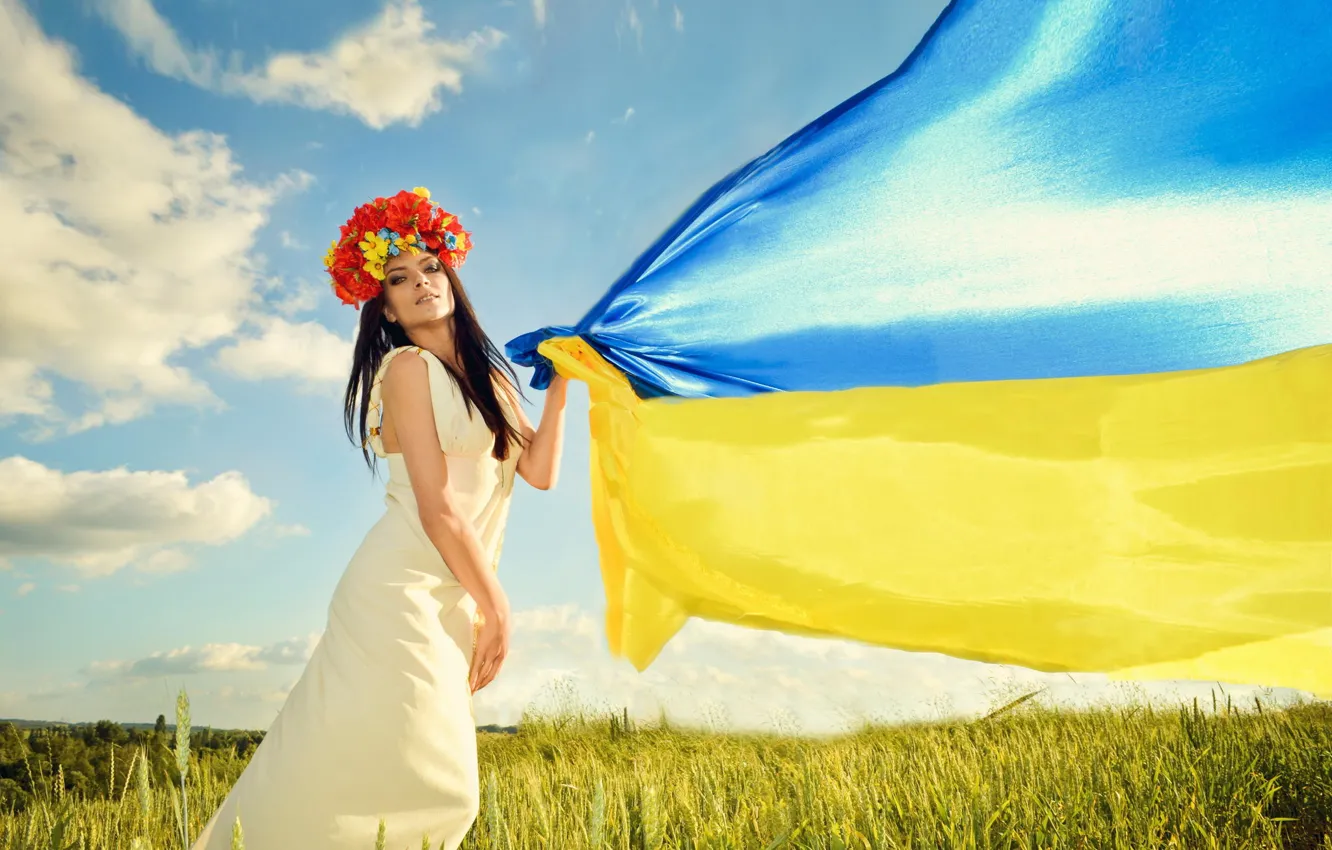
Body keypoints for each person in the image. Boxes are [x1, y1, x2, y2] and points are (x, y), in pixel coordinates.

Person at [191, 187, 568, 850]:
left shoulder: (494, 379)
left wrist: (563, 382)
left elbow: (537, 472)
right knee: (438, 781)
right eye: (399, 278)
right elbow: (438, 505)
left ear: (451, 276)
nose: (420, 282)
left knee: (383, 771)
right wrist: (500, 609)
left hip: (454, 595)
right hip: (398, 590)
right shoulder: (407, 369)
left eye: (430, 267)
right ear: (385, 307)